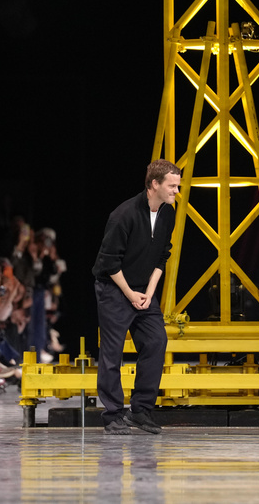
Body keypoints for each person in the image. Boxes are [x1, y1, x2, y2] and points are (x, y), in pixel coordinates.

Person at [91, 160, 180, 436]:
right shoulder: (124, 215)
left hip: (144, 290)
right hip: (115, 289)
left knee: (156, 340)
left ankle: (140, 411)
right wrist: (130, 294)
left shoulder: (168, 213)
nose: (177, 191)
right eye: (172, 186)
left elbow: (162, 254)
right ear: (154, 184)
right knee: (112, 352)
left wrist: (150, 292)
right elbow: (108, 263)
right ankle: (113, 414)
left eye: (178, 186)